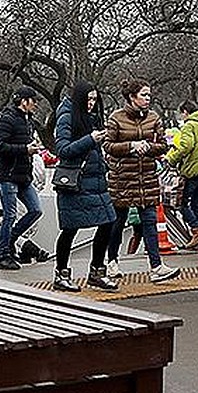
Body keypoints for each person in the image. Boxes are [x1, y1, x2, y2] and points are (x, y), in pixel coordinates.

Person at [103, 78, 180, 283]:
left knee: (150, 221)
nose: (148, 98)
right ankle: (111, 262)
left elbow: (163, 145)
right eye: (144, 95)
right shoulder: (116, 118)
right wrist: (130, 146)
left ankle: (156, 266)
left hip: (147, 177)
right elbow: (108, 146)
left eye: (149, 95)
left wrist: (148, 147)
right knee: (118, 222)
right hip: (123, 179)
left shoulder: (154, 118)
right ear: (131, 97)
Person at [52, 82, 118, 292]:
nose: (91, 104)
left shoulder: (91, 118)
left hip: (96, 181)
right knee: (70, 229)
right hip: (75, 183)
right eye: (88, 99)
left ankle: (97, 270)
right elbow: (62, 149)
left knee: (108, 222)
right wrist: (90, 139)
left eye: (94, 99)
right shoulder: (66, 117)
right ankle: (61, 273)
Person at [0, 85, 43, 272]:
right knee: (10, 214)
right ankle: (3, 254)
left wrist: (31, 147)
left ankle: (9, 240)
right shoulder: (8, 119)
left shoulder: (27, 121)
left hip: (23, 176)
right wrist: (24, 149)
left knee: (35, 210)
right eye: (33, 101)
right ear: (24, 101)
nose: (36, 104)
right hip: (8, 176)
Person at [167, 99, 198, 250]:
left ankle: (197, 231)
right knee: (197, 204)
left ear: (185, 112)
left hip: (194, 169)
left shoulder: (189, 125)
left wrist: (171, 159)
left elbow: (186, 146)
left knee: (182, 204)